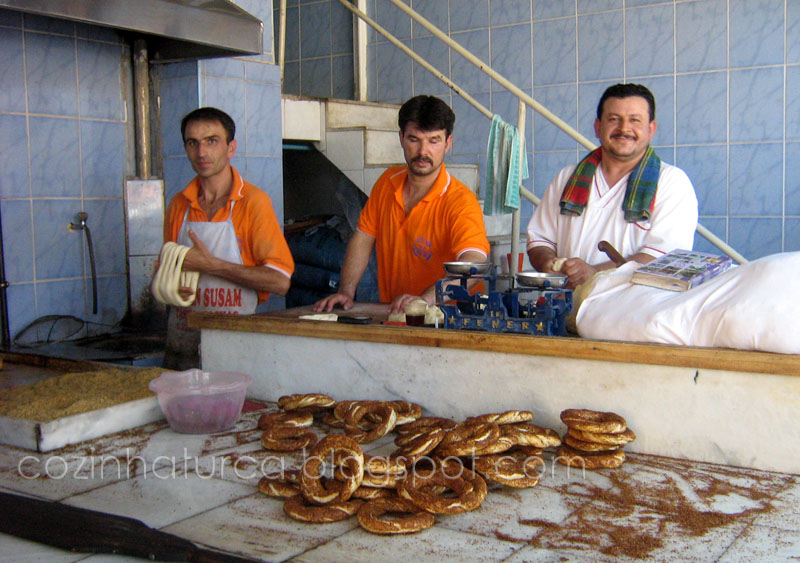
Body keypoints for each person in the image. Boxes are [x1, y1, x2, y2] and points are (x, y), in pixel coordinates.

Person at [314, 95, 490, 315]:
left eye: (433, 140)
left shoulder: (460, 201)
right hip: (399, 315)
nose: (423, 151)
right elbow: (363, 239)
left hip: (454, 319)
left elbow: (473, 265)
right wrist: (346, 291)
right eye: (414, 139)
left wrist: (424, 301)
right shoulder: (387, 183)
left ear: (448, 143)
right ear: (401, 138)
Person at [157, 107, 294, 370]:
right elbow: (164, 272)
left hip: (233, 351)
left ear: (231, 148)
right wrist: (172, 287)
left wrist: (211, 265)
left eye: (212, 141)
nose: (202, 152)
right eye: (192, 143)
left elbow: (280, 281)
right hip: (181, 350)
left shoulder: (252, 202)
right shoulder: (178, 204)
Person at [526, 83, 698, 288]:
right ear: (598, 127)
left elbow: (664, 260)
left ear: (651, 129)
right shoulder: (567, 178)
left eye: (635, 120)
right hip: (567, 309)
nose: (624, 129)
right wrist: (548, 263)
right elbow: (540, 240)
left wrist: (594, 273)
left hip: (633, 311)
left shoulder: (671, 183)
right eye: (614, 119)